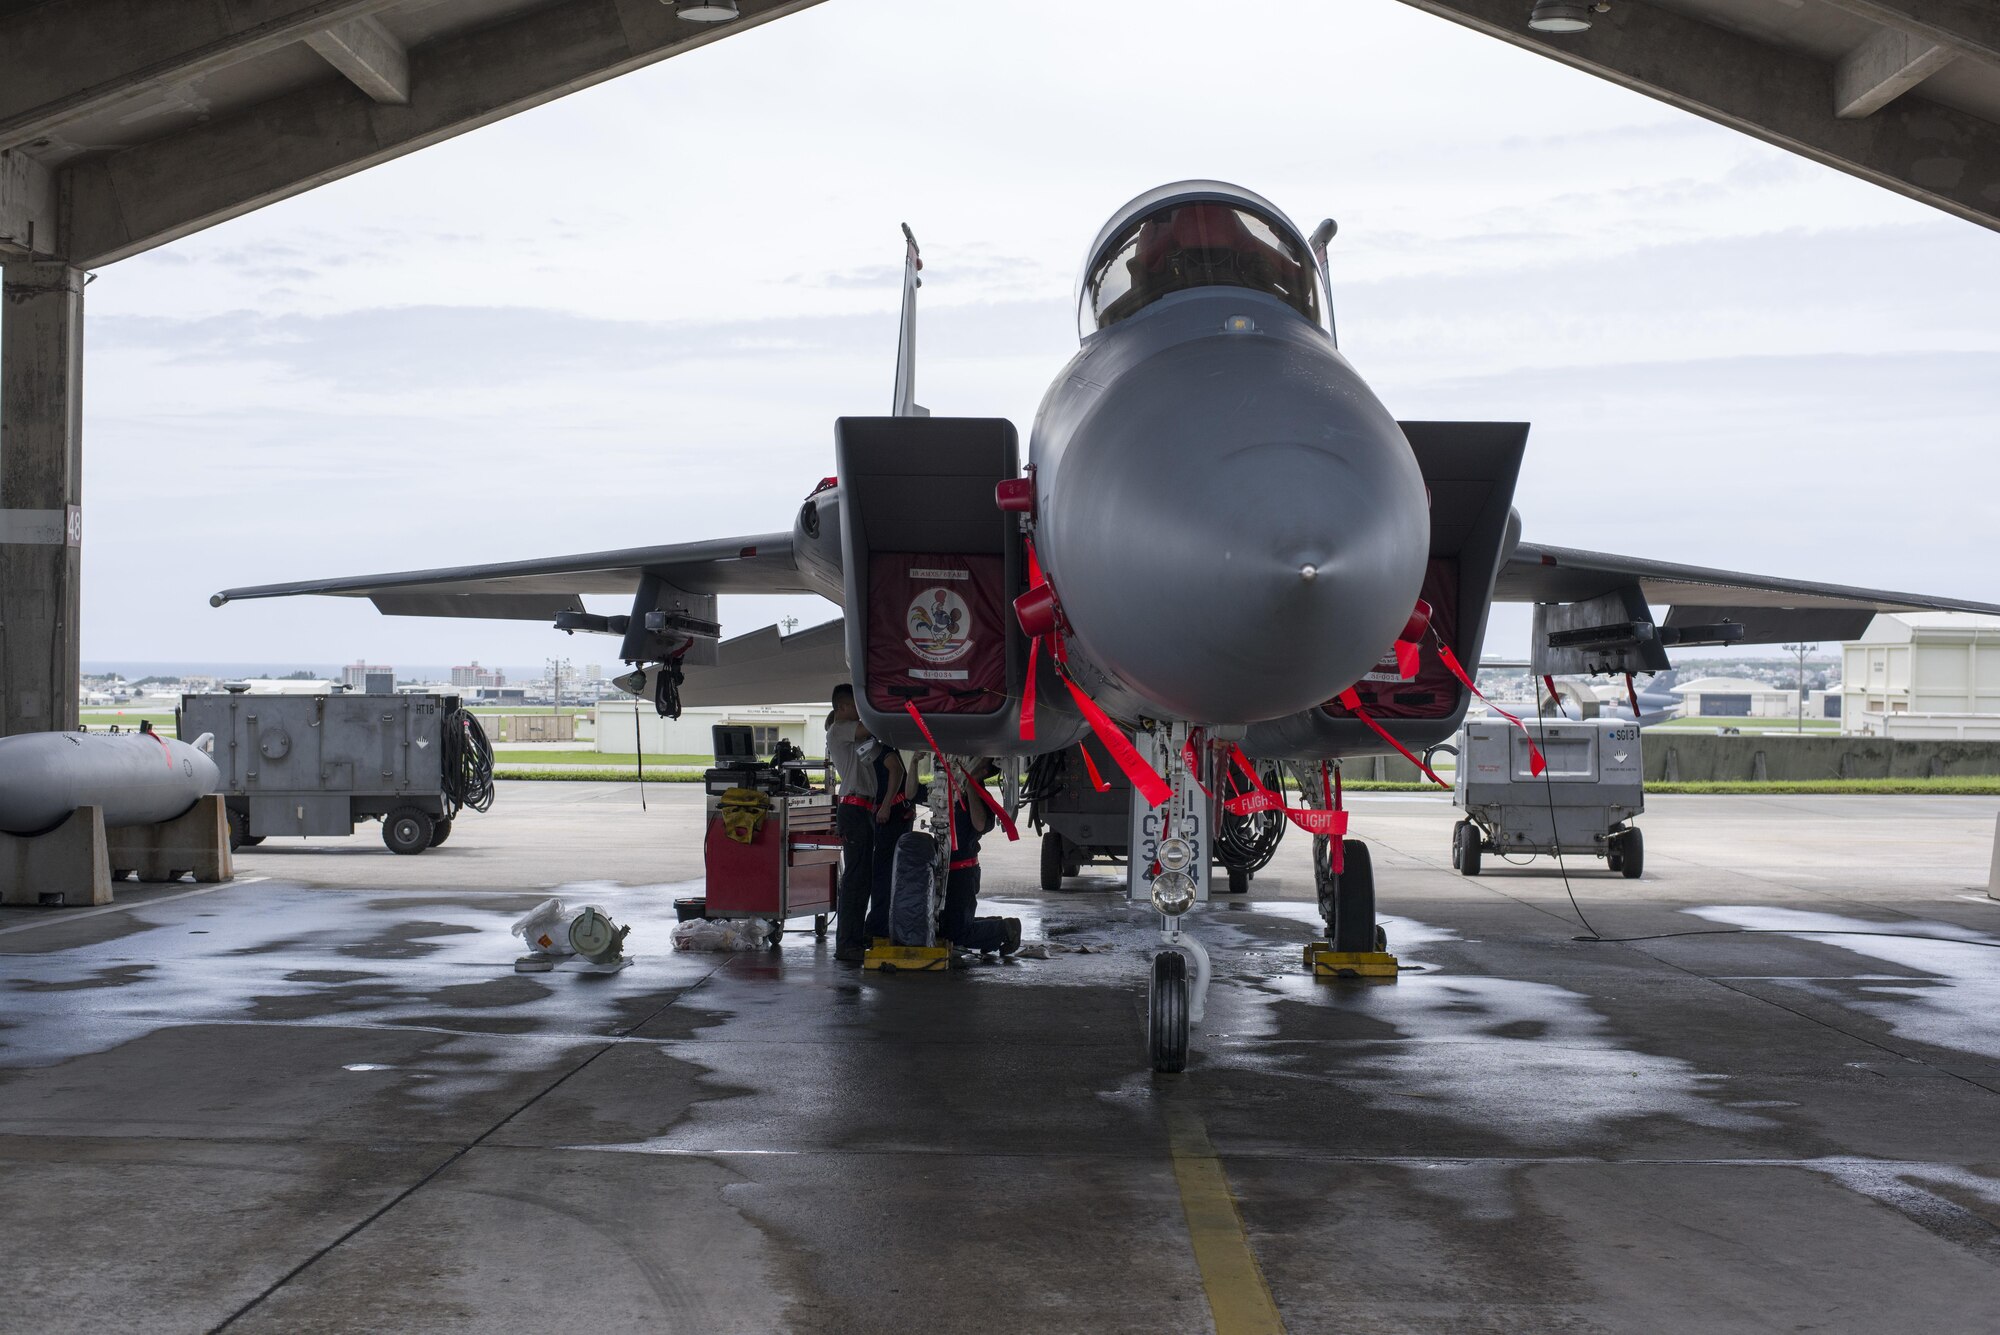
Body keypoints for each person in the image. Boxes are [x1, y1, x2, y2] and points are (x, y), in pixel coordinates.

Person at [825, 684, 904, 963]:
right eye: (857, 707)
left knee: (862, 879)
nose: (861, 713)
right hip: (853, 808)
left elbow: (881, 750)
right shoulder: (839, 729)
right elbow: (868, 728)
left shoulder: (855, 738)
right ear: (843, 708)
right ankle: (846, 944)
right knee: (855, 879)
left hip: (863, 810)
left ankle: (854, 940)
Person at [939, 757, 1021, 956]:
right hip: (946, 870)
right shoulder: (948, 789)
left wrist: (972, 786)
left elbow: (980, 824)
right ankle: (993, 928)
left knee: (957, 934)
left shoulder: (976, 793)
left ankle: (1006, 929)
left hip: (964, 872)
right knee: (945, 929)